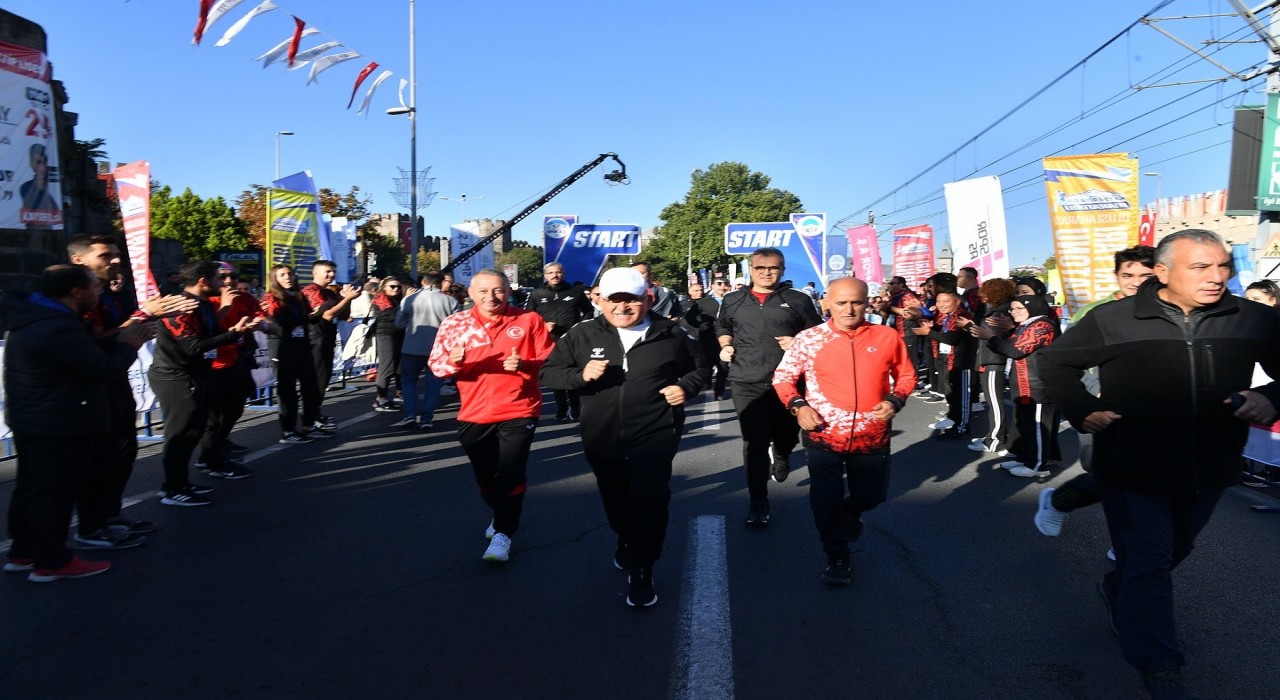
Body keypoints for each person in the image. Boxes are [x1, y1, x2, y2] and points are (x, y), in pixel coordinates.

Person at [1038, 229, 1280, 698]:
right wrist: (1080, 408)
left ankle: (1117, 587)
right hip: (1131, 466)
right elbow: (1053, 365)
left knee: (1171, 555)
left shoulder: (1253, 319)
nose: (1217, 277)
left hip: (1210, 467)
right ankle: (1159, 665)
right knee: (1148, 561)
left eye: (1223, 266)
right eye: (1201, 267)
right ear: (1164, 273)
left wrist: (1271, 397)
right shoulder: (1114, 319)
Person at [541, 267, 708, 607]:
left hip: (656, 433)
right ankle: (626, 538)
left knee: (650, 500)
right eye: (614, 300)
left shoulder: (672, 333)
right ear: (600, 300)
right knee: (616, 502)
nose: (622, 307)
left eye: (630, 300)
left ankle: (643, 568)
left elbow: (701, 368)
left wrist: (685, 387)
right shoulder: (582, 334)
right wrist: (580, 375)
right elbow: (549, 372)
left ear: (646, 300)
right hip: (602, 436)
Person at [3, 265, 151, 581]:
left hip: (35, 418)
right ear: (76, 292)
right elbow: (100, 369)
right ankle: (52, 561)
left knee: (33, 488)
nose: (100, 292)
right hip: (58, 421)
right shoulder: (58, 326)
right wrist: (129, 346)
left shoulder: (37, 318)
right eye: (95, 287)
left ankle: (24, 552)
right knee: (54, 493)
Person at [771, 277, 916, 586]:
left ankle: (851, 510)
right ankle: (837, 554)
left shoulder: (887, 336)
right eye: (841, 303)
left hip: (872, 435)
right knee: (825, 499)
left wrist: (895, 399)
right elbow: (783, 378)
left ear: (867, 302)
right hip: (823, 434)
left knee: (871, 496)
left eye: (857, 302)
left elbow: (905, 375)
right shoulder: (808, 339)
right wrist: (798, 406)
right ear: (826, 303)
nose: (849, 309)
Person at [67, 234, 196, 545]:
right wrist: (143, 316)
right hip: (91, 389)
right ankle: (90, 527)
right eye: (105, 256)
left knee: (123, 452)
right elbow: (89, 341)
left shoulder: (112, 292)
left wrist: (143, 320)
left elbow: (121, 330)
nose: (114, 260)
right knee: (99, 460)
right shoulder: (75, 296)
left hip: (117, 382)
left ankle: (111, 514)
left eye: (116, 254)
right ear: (79, 261)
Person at [428, 270, 555, 563]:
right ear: (470, 294)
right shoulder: (455, 324)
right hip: (473, 411)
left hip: (519, 408)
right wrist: (453, 361)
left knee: (510, 472)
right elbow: (436, 367)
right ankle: (499, 512)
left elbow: (551, 361)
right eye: (483, 291)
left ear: (508, 291)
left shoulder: (528, 320)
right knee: (486, 476)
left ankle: (503, 534)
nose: (491, 297)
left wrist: (525, 363)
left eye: (498, 291)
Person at [1036, 245, 1156, 537]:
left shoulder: (1169, 312)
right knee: (1106, 475)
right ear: (1116, 276)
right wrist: (1091, 399)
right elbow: (1064, 362)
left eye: (1145, 274)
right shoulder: (1097, 313)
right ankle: (1059, 501)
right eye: (1128, 274)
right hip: (1102, 407)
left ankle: (1131, 544)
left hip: (1151, 412)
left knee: (1144, 480)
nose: (1136, 282)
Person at [716, 247, 824, 524]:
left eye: (773, 268)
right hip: (745, 380)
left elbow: (818, 335)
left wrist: (798, 343)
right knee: (754, 441)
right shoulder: (733, 300)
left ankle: (782, 451)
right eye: (760, 268)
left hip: (787, 382)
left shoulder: (797, 300)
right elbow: (723, 327)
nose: (766, 273)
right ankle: (758, 502)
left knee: (786, 433)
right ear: (750, 270)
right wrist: (725, 345)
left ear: (782, 270)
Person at [149, 261, 260, 506]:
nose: (224, 283)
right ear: (203, 281)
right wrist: (234, 334)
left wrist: (233, 325)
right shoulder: (181, 305)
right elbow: (192, 346)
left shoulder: (202, 304)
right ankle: (172, 488)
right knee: (180, 434)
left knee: (196, 430)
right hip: (176, 376)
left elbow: (207, 332)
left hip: (197, 373)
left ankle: (182, 482)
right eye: (218, 278)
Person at [972, 295, 1061, 477]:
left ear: (1033, 307)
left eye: (1019, 308)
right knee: (1024, 424)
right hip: (1023, 384)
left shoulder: (1042, 325)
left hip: (1037, 386)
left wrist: (990, 337)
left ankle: (1037, 466)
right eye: (1012, 309)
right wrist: (1007, 330)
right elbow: (1011, 346)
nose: (1014, 312)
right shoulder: (1027, 325)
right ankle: (1025, 457)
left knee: (1037, 426)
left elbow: (1015, 351)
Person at [196, 263, 269, 480]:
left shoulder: (244, 298)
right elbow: (204, 333)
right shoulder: (206, 301)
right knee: (214, 416)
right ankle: (209, 457)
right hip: (212, 365)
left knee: (236, 406)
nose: (228, 282)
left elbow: (262, 317)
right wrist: (225, 307)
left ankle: (221, 442)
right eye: (223, 277)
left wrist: (263, 324)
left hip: (237, 359)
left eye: (233, 277)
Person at [261, 264, 331, 444]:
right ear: (274, 279)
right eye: (282, 275)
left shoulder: (298, 296)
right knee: (287, 390)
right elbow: (278, 322)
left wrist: (324, 307)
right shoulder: (271, 297)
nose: (287, 278)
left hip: (302, 345)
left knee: (311, 386)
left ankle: (308, 425)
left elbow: (309, 318)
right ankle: (288, 431)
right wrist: (308, 316)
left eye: (290, 274)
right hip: (283, 347)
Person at [525, 262, 593, 421]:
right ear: (545, 275)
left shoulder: (575, 292)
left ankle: (575, 407)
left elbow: (588, 311)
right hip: (549, 341)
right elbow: (527, 317)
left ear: (563, 274)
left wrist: (580, 328)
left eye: (558, 272)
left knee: (573, 374)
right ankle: (561, 407)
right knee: (555, 376)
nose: (555, 275)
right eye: (550, 273)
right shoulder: (537, 294)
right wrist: (542, 327)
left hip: (572, 340)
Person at [395, 271, 460, 429]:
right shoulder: (450, 301)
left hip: (412, 347)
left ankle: (410, 414)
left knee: (409, 381)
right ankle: (427, 418)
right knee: (433, 385)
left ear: (423, 281)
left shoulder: (409, 300)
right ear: (440, 283)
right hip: (438, 349)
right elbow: (458, 325)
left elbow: (398, 323)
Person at [301, 260, 361, 427]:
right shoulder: (311, 290)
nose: (331, 275)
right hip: (315, 339)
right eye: (327, 271)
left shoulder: (329, 292)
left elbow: (344, 315)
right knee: (316, 381)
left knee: (324, 379)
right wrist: (346, 298)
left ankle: (315, 413)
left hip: (327, 338)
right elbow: (327, 314)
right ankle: (309, 420)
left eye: (333, 271)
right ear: (315, 272)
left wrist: (347, 299)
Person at [965, 278, 1017, 455]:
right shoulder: (998, 311)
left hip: (994, 362)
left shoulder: (999, 313)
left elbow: (994, 339)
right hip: (990, 360)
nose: (981, 294)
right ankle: (994, 435)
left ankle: (996, 439)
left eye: (985, 291)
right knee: (993, 402)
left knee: (995, 403)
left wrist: (975, 330)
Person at [914, 290, 975, 439]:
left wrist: (928, 332)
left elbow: (952, 338)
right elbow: (944, 334)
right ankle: (954, 422)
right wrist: (933, 329)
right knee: (951, 395)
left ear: (957, 301)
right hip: (949, 360)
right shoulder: (947, 317)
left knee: (962, 398)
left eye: (946, 301)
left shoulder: (962, 316)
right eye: (939, 301)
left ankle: (962, 427)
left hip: (961, 363)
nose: (941, 305)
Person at [370, 277, 406, 411]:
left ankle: (398, 393)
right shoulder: (380, 299)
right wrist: (406, 302)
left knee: (398, 366)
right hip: (385, 334)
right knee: (387, 366)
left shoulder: (398, 299)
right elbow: (391, 313)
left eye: (398, 287)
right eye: (392, 286)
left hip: (398, 334)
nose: (396, 289)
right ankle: (381, 398)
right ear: (384, 287)